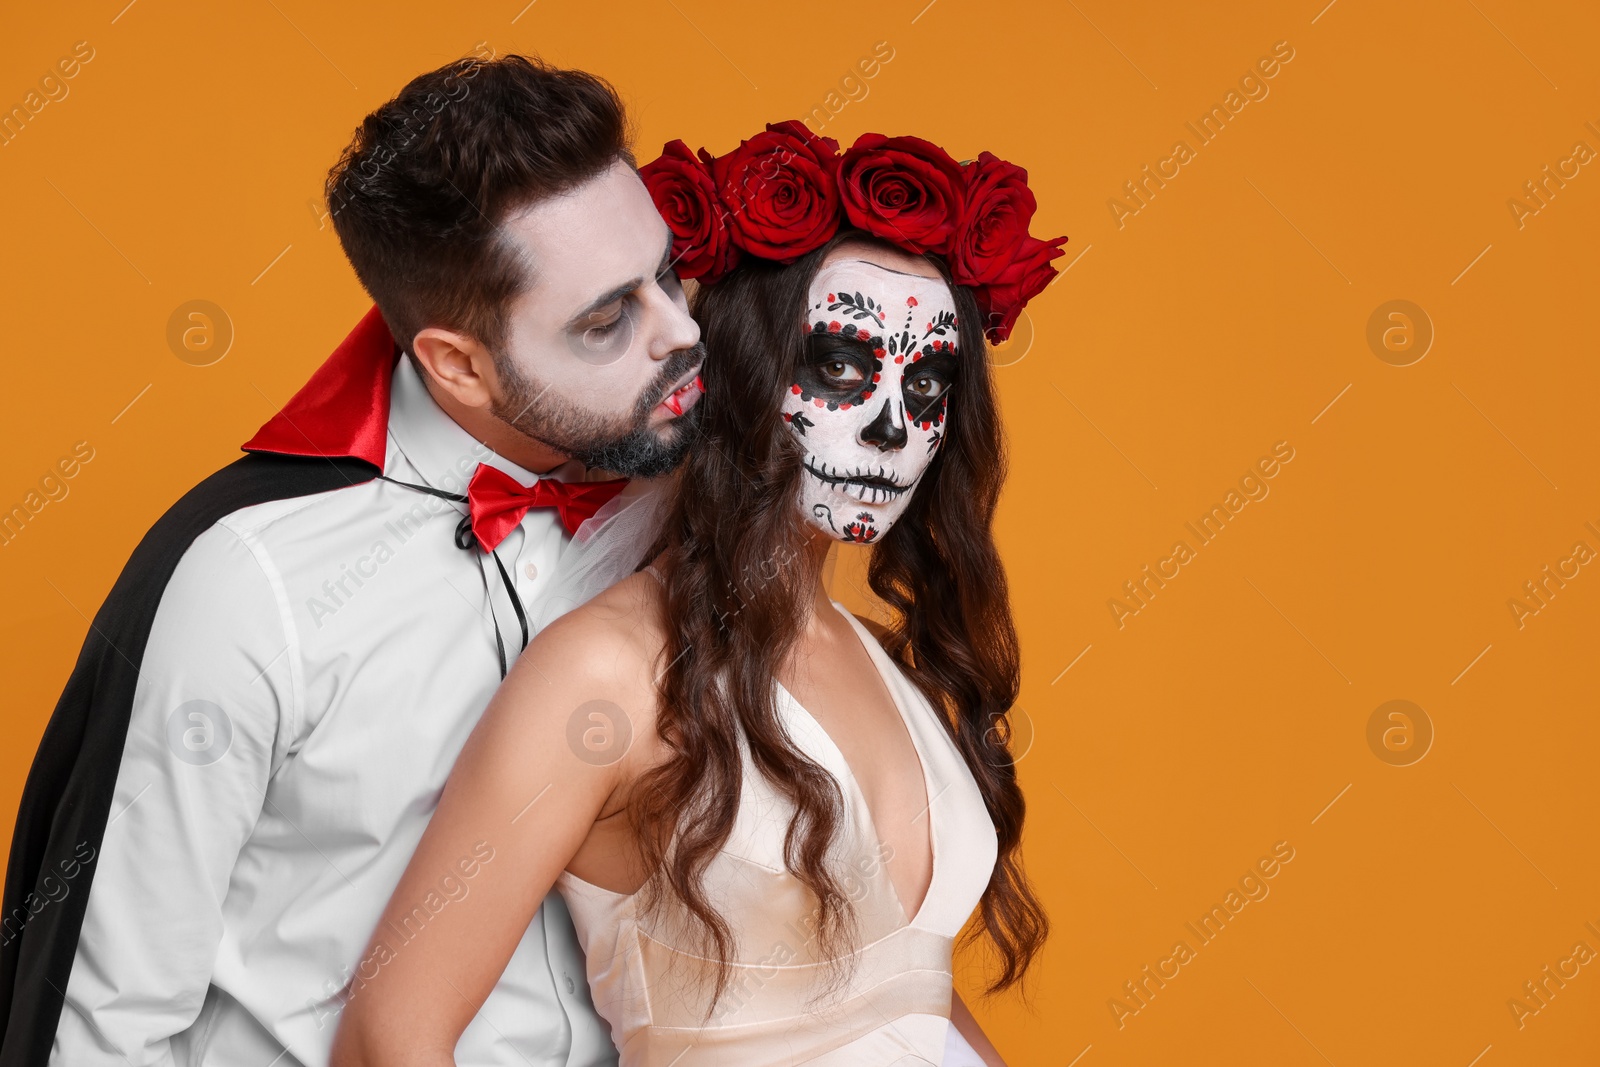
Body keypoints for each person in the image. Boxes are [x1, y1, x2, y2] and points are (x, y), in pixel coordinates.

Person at [0, 52, 704, 1066]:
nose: (681, 332)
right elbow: (105, 1023)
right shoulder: (248, 582)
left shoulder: (687, 511)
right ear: (455, 362)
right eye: (605, 321)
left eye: (668, 275)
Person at [331, 123, 1063, 1066]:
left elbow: (907, 1008)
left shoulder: (886, 665)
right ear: (742, 372)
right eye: (840, 365)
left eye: (928, 382)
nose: (894, 426)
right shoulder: (606, 669)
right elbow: (388, 1035)